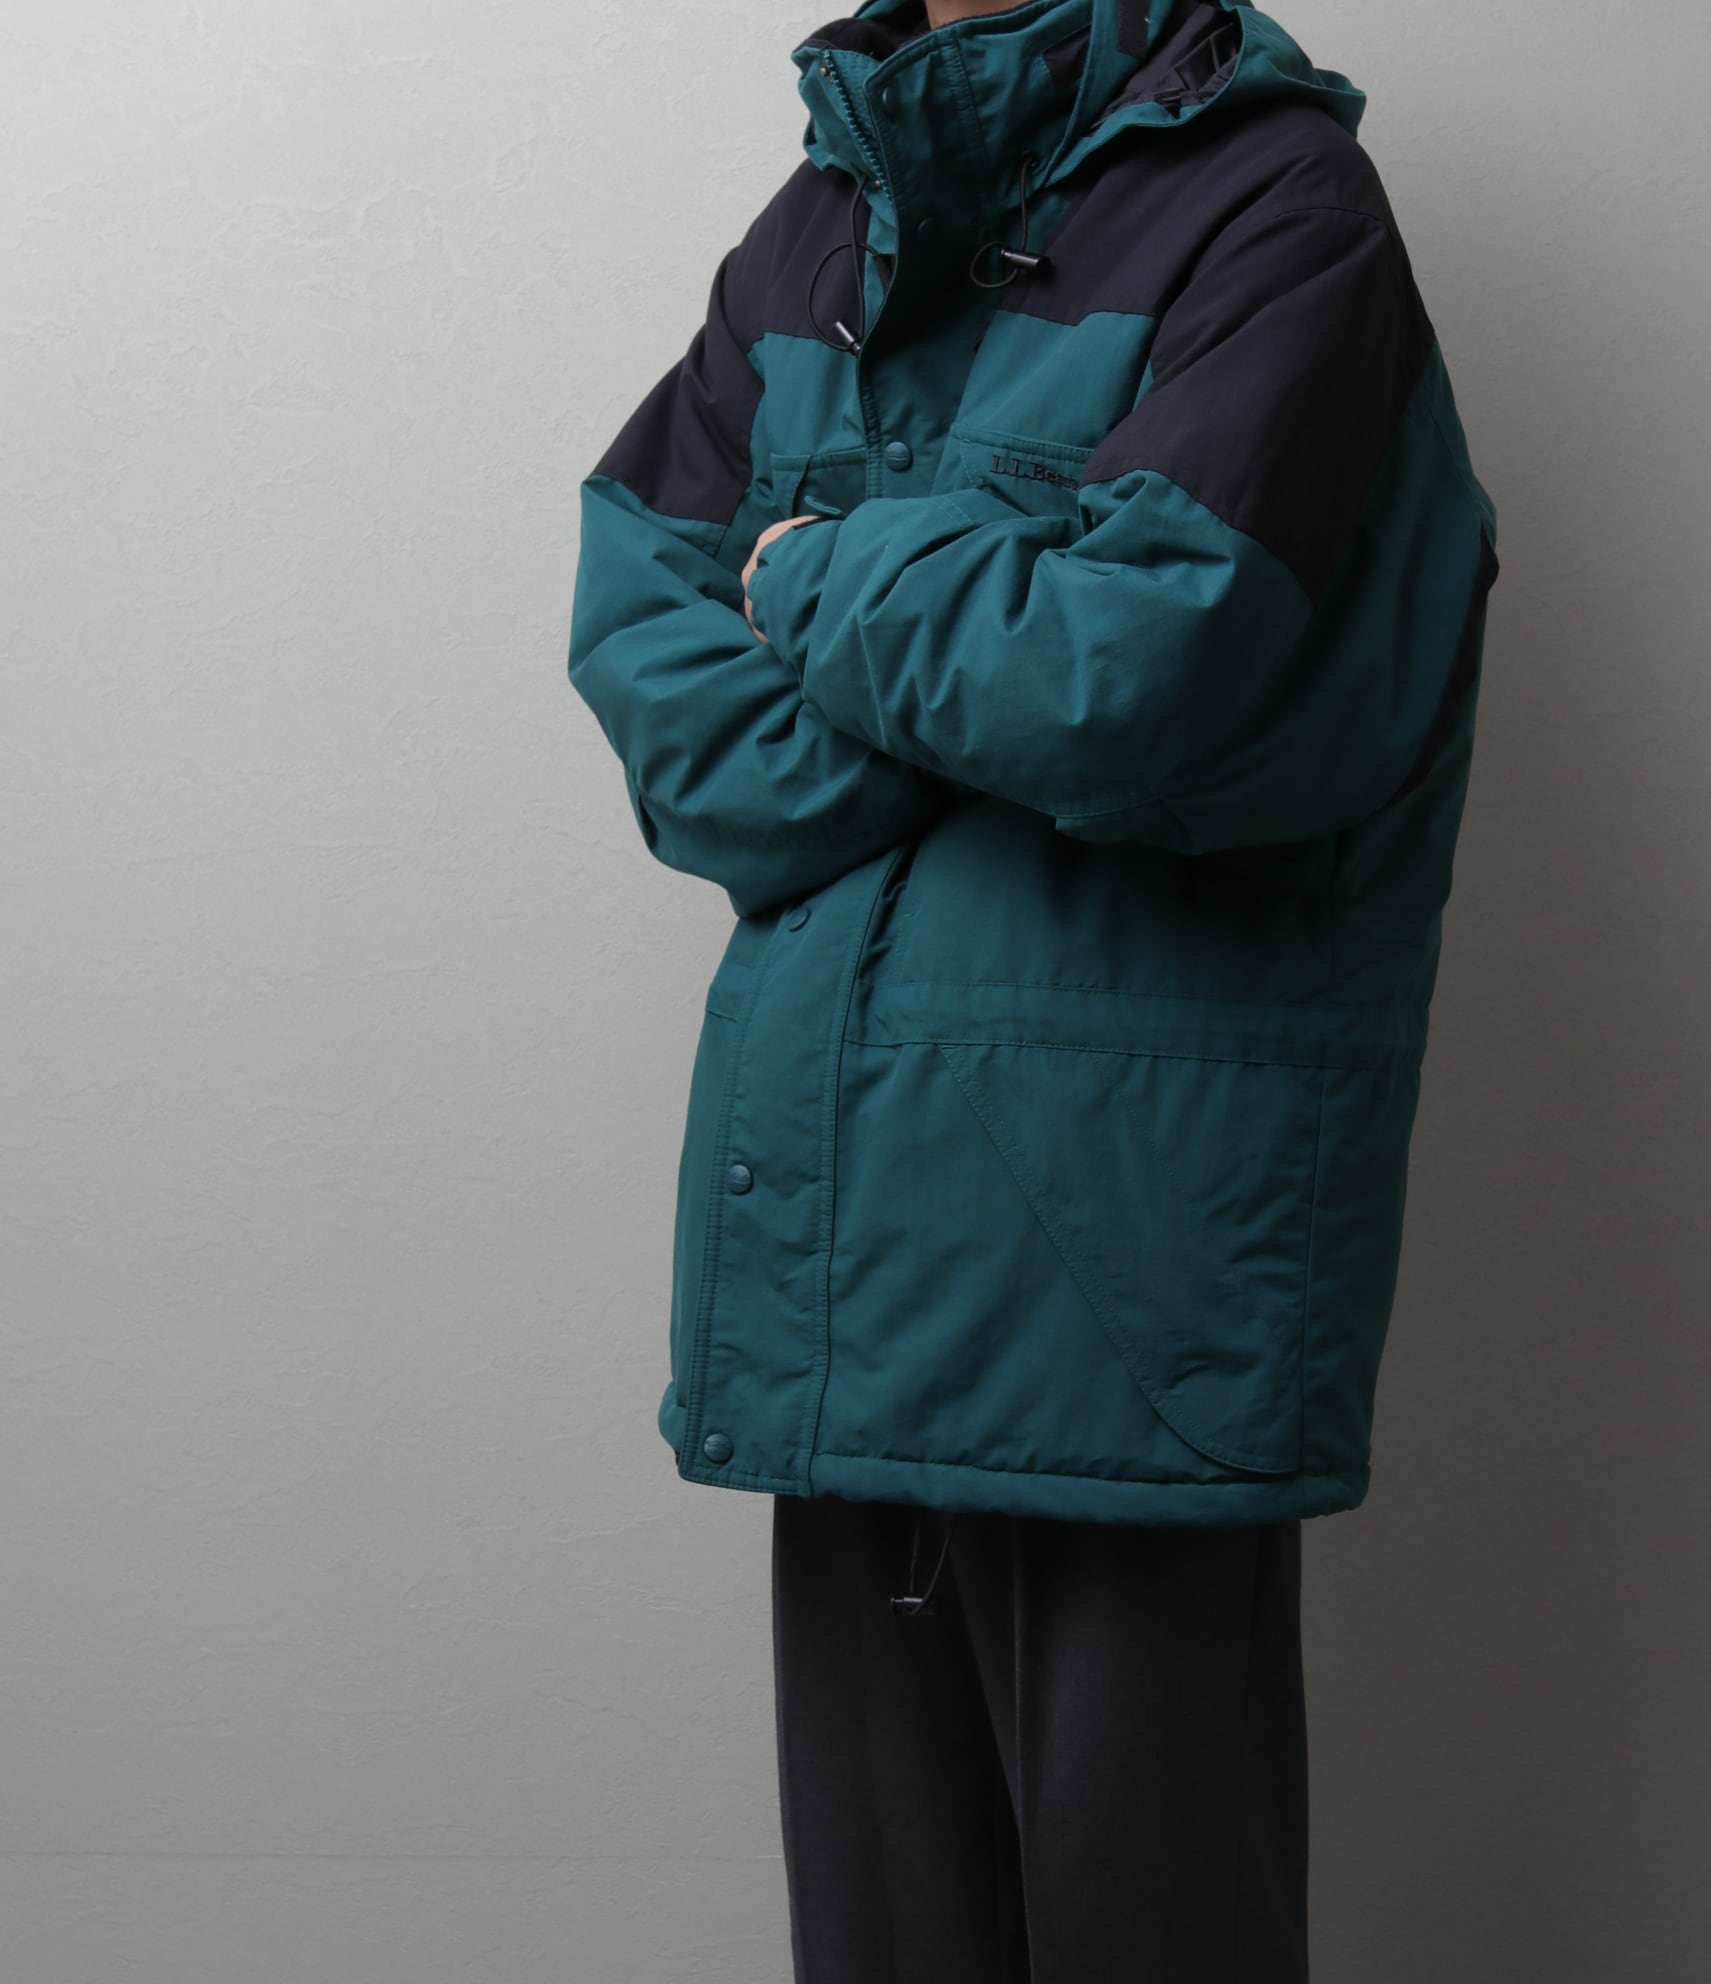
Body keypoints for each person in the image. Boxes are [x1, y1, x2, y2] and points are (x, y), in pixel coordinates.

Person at [566, 0, 1498, 1973]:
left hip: (1126, 1259)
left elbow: (1129, 672)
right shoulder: (814, 229)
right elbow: (670, 698)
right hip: (838, 1237)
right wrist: (959, 652)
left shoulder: (1277, 206)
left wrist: (807, 575)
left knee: (1151, 1928)